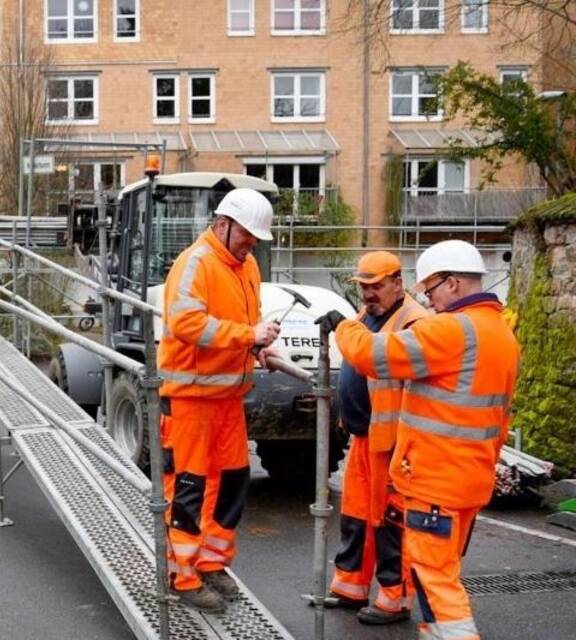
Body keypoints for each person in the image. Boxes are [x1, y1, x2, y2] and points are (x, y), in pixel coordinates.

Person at [317, 240, 519, 640]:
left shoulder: (450, 330)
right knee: (438, 574)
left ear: (453, 284)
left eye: (431, 289)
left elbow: (375, 355)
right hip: (470, 477)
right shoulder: (501, 335)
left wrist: (344, 326)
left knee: (435, 579)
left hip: (434, 479)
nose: (429, 299)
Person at [157, 188, 281, 613]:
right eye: (246, 235)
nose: (251, 244)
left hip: (227, 397)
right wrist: (249, 336)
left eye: (254, 239)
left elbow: (244, 322)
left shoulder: (244, 267)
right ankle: (183, 576)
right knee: (189, 488)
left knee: (230, 483)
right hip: (191, 398)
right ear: (222, 224)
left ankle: (211, 562)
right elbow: (187, 322)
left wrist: (259, 346)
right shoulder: (197, 262)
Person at [323, 251, 427, 625]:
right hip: (366, 436)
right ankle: (350, 586)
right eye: (363, 287)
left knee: (389, 521)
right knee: (356, 514)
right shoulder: (368, 315)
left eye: (376, 286)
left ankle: (393, 599)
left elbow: (371, 358)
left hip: (394, 440)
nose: (368, 293)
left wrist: (342, 329)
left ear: (398, 283)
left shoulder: (414, 321)